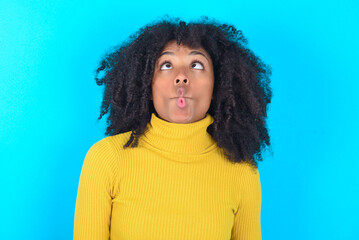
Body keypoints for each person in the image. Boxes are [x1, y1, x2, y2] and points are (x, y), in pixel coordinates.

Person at [73, 17, 272, 240]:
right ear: (146, 85)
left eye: (196, 65)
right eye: (166, 65)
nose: (181, 77)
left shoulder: (242, 171)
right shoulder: (106, 160)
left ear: (218, 86)